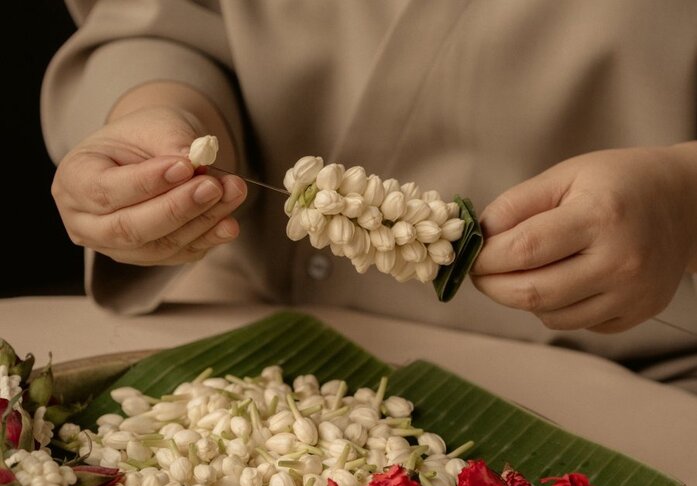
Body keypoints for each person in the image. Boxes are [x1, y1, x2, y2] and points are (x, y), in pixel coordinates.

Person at [42, 0, 697, 390]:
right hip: (230, 314)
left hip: (627, 379)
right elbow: (164, 20)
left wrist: (682, 200)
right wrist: (156, 112)